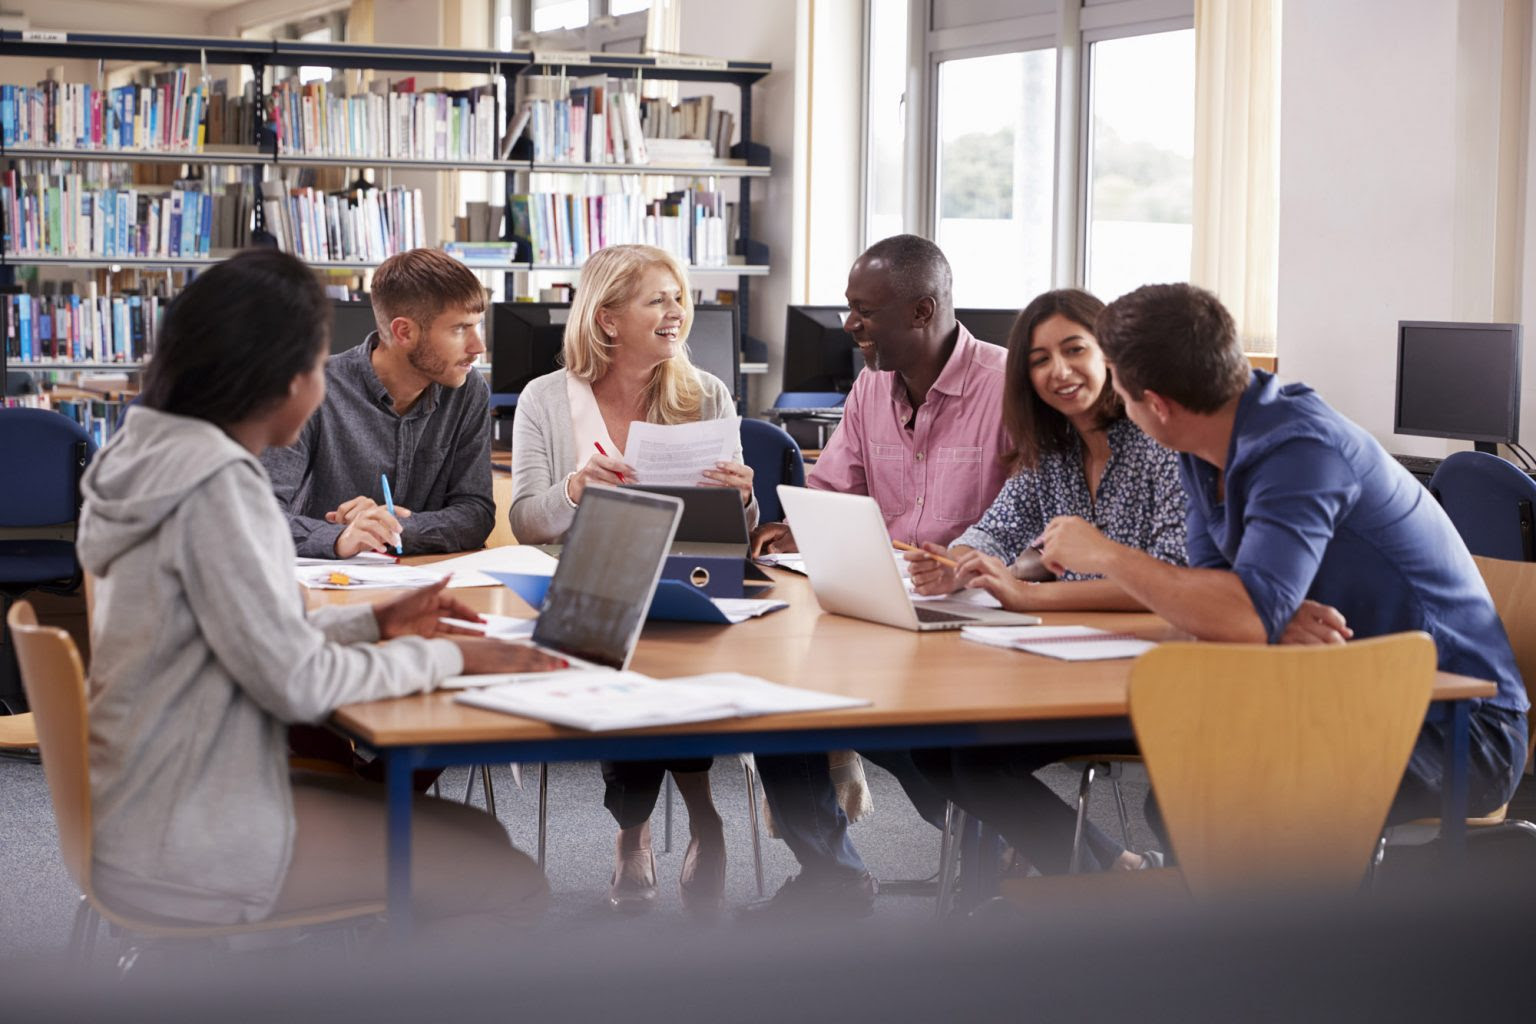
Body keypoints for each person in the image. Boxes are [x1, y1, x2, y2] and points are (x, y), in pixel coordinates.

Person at [76, 249, 562, 941]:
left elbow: (245, 640)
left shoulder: (148, 455)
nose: (322, 382)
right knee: (508, 875)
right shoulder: (218, 485)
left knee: (472, 828)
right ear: (278, 378)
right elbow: (300, 685)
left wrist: (373, 622)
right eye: (314, 363)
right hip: (198, 839)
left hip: (151, 802)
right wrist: (454, 659)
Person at [1031, 282, 1527, 829]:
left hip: (1456, 728)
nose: (1120, 407)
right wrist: (1259, 614)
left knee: (1205, 799)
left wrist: (1108, 555)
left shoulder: (1300, 449)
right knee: (1184, 794)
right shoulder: (1204, 449)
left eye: (1123, 396)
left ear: (1158, 406)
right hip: (1337, 692)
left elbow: (1234, 612)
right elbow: (1215, 606)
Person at [742, 235, 1011, 919]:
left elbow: (1033, 520)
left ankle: (992, 829)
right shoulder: (870, 388)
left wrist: (964, 566)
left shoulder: (1007, 387)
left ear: (922, 311)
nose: (849, 326)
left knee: (898, 723)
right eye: (847, 308)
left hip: (974, 615)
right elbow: (834, 487)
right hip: (884, 606)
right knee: (779, 701)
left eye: (864, 311)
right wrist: (786, 529)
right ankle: (836, 872)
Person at [508, 243, 758, 916]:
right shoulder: (544, 400)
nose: (678, 312)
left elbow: (736, 530)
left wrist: (742, 497)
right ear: (609, 319)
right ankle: (663, 826)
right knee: (626, 652)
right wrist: (574, 489)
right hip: (592, 591)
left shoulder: (705, 394)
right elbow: (527, 521)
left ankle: (657, 829)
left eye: (680, 297)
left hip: (689, 582)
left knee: (665, 650)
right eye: (658, 299)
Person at [903, 288, 1187, 875]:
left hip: (1155, 671)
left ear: (1110, 352)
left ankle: (1096, 885)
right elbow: (995, 530)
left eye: (1073, 349)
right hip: (1074, 661)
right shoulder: (1054, 449)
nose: (1058, 371)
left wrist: (1027, 593)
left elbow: (1168, 580)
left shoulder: (1160, 441)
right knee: (932, 742)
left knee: (976, 758)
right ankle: (1112, 875)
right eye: (1038, 359)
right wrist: (959, 565)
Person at [262, 247, 495, 559]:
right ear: (404, 332)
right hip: (328, 584)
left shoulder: (468, 390)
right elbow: (259, 513)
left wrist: (391, 528)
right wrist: (340, 537)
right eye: (460, 329)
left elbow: (476, 514)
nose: (478, 346)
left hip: (425, 579)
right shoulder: (315, 387)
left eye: (478, 325)